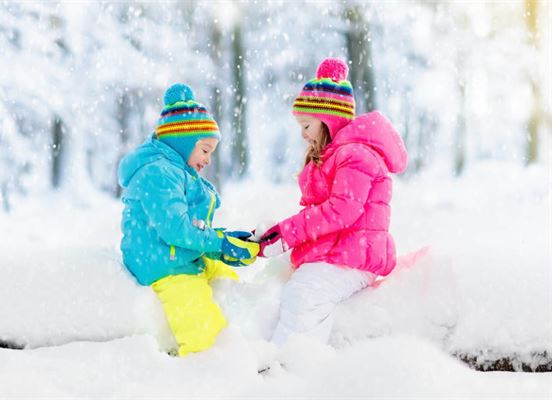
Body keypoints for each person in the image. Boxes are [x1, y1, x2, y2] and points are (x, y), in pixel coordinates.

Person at [257, 58, 408, 345]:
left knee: (306, 292)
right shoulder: (335, 156)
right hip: (342, 251)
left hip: (356, 257)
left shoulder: (356, 156)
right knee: (289, 286)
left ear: (328, 120)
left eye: (306, 125)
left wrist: (288, 234)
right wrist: (275, 233)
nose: (302, 134)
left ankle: (290, 365)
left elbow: (341, 211)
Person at [118, 83, 259, 356]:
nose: (207, 160)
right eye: (205, 150)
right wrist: (218, 244)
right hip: (163, 263)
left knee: (229, 281)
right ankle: (207, 363)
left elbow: (188, 227)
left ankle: (249, 341)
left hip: (180, 253)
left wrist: (224, 240)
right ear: (182, 143)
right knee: (202, 328)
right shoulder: (158, 174)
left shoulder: (176, 171)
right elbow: (175, 229)